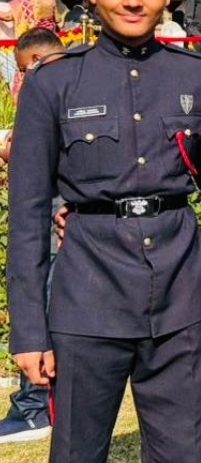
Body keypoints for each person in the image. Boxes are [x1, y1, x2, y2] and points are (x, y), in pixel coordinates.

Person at [6, 0, 201, 463]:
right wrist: (29, 331)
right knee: (77, 452)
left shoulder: (199, 78)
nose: (132, 0)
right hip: (88, 299)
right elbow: (29, 213)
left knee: (180, 454)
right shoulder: (54, 83)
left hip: (180, 301)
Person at [0, 28, 66, 444]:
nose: (23, 78)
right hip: (55, 212)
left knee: (43, 304)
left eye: (25, 68)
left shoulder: (51, 89)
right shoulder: (76, 83)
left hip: (57, 214)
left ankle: (33, 407)